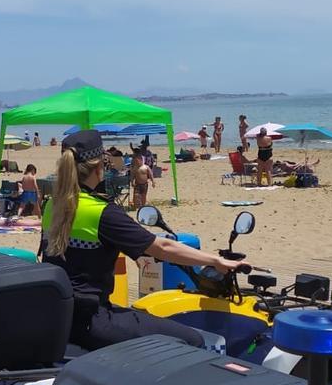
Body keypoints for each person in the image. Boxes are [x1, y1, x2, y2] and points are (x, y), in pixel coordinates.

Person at [41, 130, 247, 351]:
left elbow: (79, 256)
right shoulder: (102, 213)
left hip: (60, 315)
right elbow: (162, 247)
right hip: (92, 319)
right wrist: (217, 261)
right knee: (192, 341)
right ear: (99, 166)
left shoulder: (53, 206)